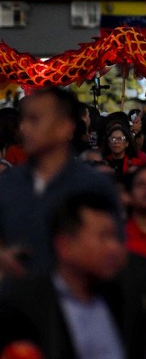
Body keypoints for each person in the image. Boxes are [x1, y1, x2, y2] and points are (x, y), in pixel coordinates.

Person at [0, 191, 146, 359]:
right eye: (103, 237)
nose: (114, 248)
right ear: (65, 245)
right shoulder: (22, 308)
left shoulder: (126, 298)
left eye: (115, 237)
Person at [0, 88, 121, 277]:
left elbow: (115, 251)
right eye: (23, 120)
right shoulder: (8, 184)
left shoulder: (94, 186)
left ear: (65, 126)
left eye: (35, 120)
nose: (24, 128)